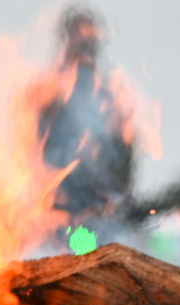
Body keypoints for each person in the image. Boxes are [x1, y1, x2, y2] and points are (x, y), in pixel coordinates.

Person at [38, 8, 135, 224]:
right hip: (60, 212)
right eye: (76, 37)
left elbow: (124, 154)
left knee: (91, 251)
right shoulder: (50, 93)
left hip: (99, 212)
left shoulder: (111, 95)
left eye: (86, 40)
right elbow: (39, 153)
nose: (81, 46)